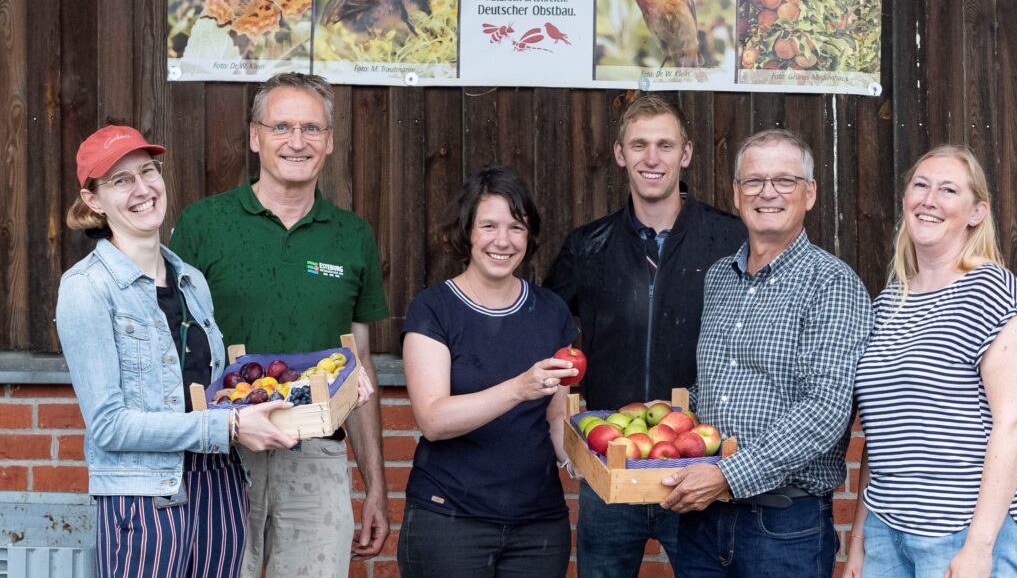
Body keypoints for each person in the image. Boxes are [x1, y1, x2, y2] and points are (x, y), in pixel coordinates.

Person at [169, 73, 390, 578]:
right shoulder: (204, 224)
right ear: (254, 136)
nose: (297, 141)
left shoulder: (352, 236)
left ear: (330, 142)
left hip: (316, 456)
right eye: (282, 126)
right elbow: (173, 348)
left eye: (311, 129)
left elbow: (358, 364)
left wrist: (375, 484)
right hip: (223, 456)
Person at [55, 125, 298, 578]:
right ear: (93, 201)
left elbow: (219, 391)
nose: (143, 189)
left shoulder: (191, 280)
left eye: (148, 171)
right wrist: (227, 425)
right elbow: (109, 427)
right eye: (121, 180)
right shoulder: (87, 289)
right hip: (146, 494)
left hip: (220, 485)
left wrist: (305, 395)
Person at [544, 93, 746, 575]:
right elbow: (545, 337)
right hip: (612, 462)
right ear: (620, 154)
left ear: (686, 153)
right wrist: (563, 426)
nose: (651, 159)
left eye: (664, 145)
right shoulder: (587, 247)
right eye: (638, 145)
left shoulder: (731, 240)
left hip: (698, 464)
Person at [660, 129, 873, 578]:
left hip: (782, 527)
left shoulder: (832, 284)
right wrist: (669, 423)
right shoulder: (720, 278)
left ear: (809, 193)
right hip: (704, 518)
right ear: (737, 195)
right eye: (754, 181)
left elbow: (826, 409)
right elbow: (717, 386)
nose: (768, 193)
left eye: (785, 181)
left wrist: (729, 474)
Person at [844, 146, 1017, 578]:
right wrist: (859, 540)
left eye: (948, 190)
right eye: (920, 185)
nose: (929, 199)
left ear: (976, 212)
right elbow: (882, 435)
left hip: (965, 531)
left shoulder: (992, 290)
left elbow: (1015, 425)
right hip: (888, 530)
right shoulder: (887, 305)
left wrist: (979, 546)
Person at [397, 165, 579, 577]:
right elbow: (433, 420)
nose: (503, 240)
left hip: (538, 526)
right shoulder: (433, 309)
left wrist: (580, 463)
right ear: (467, 232)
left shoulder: (552, 312)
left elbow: (556, 417)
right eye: (489, 226)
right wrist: (518, 388)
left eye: (516, 227)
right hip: (450, 520)